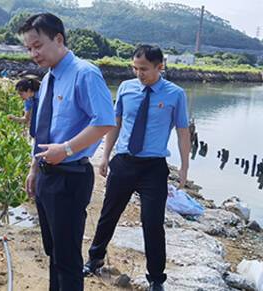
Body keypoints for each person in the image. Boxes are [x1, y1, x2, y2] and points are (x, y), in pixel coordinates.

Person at [19, 13, 116, 290]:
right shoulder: (48, 78)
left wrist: (68, 148)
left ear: (58, 39)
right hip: (48, 175)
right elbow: (42, 129)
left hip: (70, 176)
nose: (33, 53)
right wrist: (34, 168)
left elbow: (105, 121)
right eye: (28, 48)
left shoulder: (85, 73)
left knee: (68, 259)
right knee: (54, 253)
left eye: (37, 45)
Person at [83, 45, 191, 291]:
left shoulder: (176, 94)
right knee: (109, 214)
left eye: (144, 69)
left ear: (159, 67)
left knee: (153, 223)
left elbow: (183, 133)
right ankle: (95, 258)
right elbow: (116, 123)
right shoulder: (126, 88)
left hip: (153, 168)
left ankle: (156, 278)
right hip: (124, 163)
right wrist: (105, 156)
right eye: (135, 67)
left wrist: (185, 168)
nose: (138, 73)